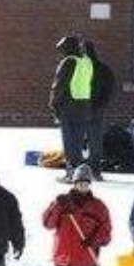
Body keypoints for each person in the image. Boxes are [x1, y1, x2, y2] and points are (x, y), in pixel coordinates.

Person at [48, 35, 94, 183]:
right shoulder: (86, 62)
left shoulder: (68, 62)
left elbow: (59, 86)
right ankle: (80, 172)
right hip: (84, 105)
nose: (61, 54)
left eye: (62, 50)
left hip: (68, 106)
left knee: (69, 142)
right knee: (78, 142)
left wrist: (53, 104)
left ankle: (71, 174)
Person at [83, 40, 116, 179]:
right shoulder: (104, 68)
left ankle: (81, 171)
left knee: (77, 141)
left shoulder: (80, 69)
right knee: (95, 141)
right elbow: (110, 88)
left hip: (80, 109)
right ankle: (95, 171)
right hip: (97, 109)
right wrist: (102, 104)